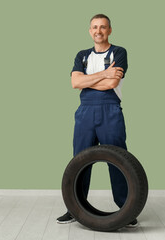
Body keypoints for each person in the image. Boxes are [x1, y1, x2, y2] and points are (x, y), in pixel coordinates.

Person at [57, 14, 138, 228]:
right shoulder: (82, 55)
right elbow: (75, 83)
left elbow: (112, 83)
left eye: (103, 27)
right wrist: (104, 73)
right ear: (90, 31)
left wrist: (89, 80)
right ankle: (74, 208)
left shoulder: (118, 52)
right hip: (85, 112)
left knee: (119, 159)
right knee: (79, 160)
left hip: (110, 110)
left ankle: (126, 209)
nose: (98, 31)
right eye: (94, 27)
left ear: (109, 30)